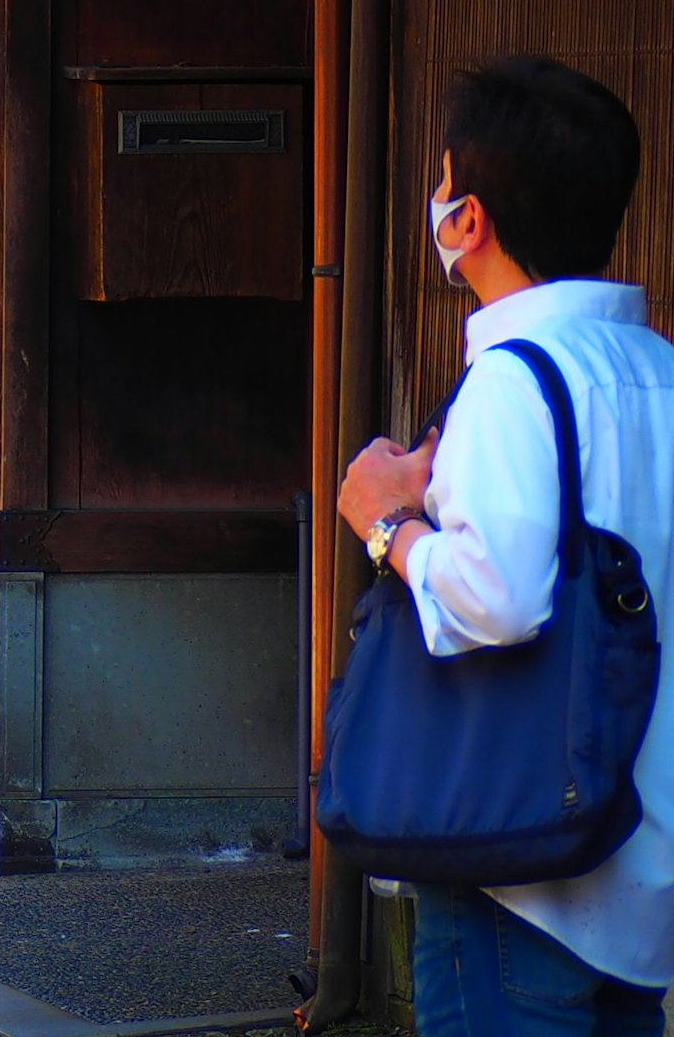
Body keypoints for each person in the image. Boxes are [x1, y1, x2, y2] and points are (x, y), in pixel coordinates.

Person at [335, 55, 671, 1035]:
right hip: (638, 867)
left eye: (443, 182)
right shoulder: (656, 372)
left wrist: (387, 524)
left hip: (518, 872)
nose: (435, 201)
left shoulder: (515, 381)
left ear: (467, 219)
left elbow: (500, 594)